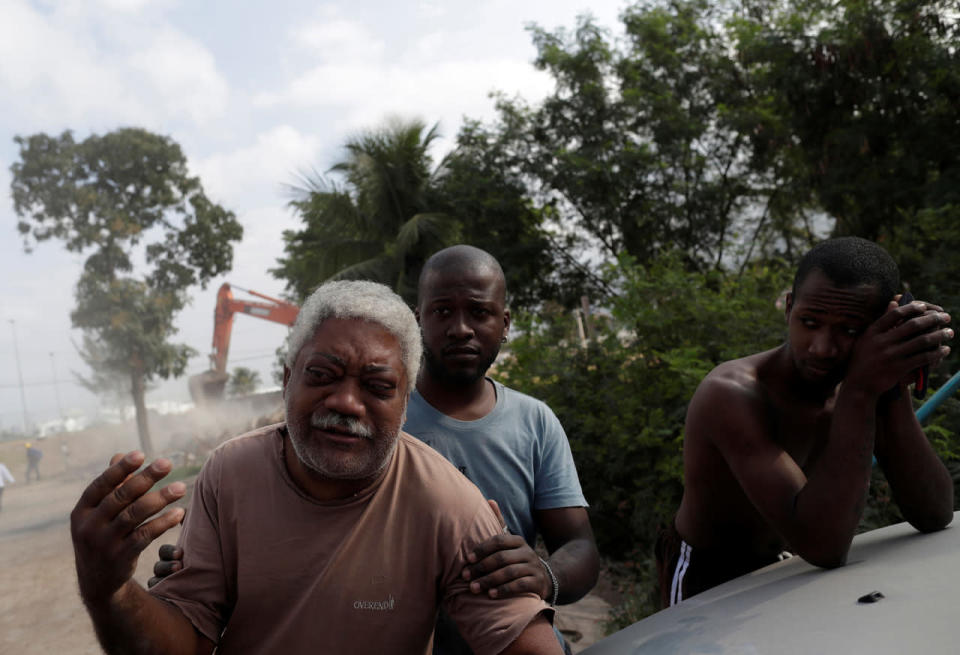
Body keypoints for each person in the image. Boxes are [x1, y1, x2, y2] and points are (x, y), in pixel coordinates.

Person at [70, 280, 562, 655]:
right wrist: (108, 589)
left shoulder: (447, 501)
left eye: (376, 385)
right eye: (322, 376)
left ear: (405, 402)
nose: (346, 402)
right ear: (287, 381)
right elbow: (185, 642)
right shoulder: (229, 472)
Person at [658, 236, 955, 608]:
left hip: (788, 562)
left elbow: (933, 512)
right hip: (708, 572)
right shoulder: (733, 394)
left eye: (849, 330)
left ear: (879, 329)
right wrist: (860, 392)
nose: (822, 347)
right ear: (788, 308)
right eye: (809, 322)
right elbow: (824, 546)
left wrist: (892, 385)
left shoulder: (865, 380)